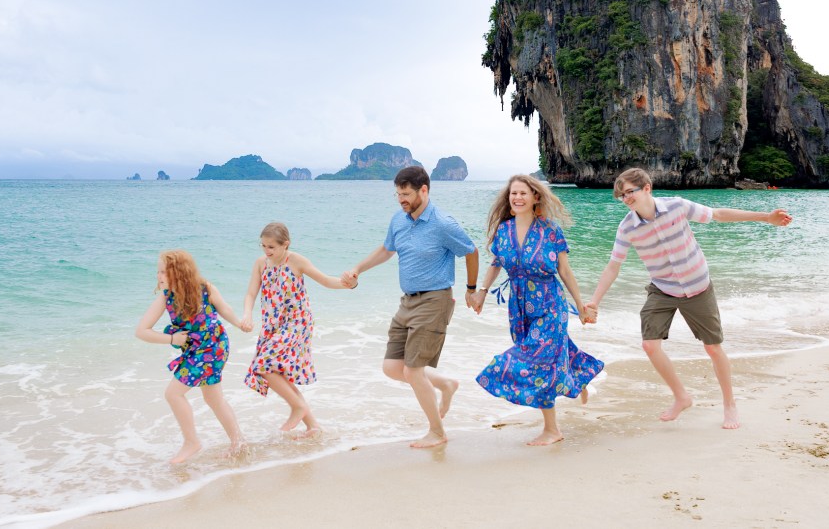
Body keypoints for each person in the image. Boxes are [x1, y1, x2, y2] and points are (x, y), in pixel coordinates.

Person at [586, 167, 793, 430]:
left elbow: (717, 214)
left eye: (630, 192)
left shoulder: (676, 207)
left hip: (698, 286)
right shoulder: (627, 228)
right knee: (650, 345)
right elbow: (613, 266)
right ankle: (681, 397)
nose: (626, 198)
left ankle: (730, 404)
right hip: (662, 289)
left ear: (647, 188)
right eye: (621, 196)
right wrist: (594, 301)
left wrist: (765, 217)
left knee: (713, 348)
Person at [340, 166, 479, 448]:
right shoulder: (399, 220)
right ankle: (445, 384)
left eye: (405, 194)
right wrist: (358, 268)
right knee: (392, 367)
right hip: (408, 301)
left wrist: (472, 289)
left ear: (423, 191)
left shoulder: (443, 223)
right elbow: (387, 249)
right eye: (398, 194)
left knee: (413, 371)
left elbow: (471, 251)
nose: (401, 199)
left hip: (435, 300)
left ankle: (437, 432)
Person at [471, 174, 604, 446]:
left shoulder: (550, 230)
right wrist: (481, 292)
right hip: (518, 306)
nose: (517, 197)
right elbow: (496, 263)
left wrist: (580, 305)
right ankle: (577, 380)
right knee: (549, 354)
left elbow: (564, 270)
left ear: (535, 198)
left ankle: (552, 430)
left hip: (549, 304)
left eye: (523, 193)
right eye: (513, 193)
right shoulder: (504, 231)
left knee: (535, 361)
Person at [134, 249, 250, 463]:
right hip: (194, 349)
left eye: (163, 272)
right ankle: (238, 441)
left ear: (179, 273)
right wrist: (172, 339)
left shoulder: (204, 288)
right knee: (213, 398)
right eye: (158, 272)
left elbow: (224, 308)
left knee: (173, 394)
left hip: (213, 346)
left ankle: (192, 442)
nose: (158, 277)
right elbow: (141, 331)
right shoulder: (166, 297)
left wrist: (240, 324)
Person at [241, 221, 346, 436]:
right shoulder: (261, 264)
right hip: (273, 326)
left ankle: (298, 407)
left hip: (297, 323)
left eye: (271, 246)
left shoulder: (296, 261)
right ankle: (313, 425)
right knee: (281, 376)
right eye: (263, 245)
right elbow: (251, 293)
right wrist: (247, 315)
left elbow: (326, 281)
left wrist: (349, 284)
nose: (266, 250)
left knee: (263, 365)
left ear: (285, 245)